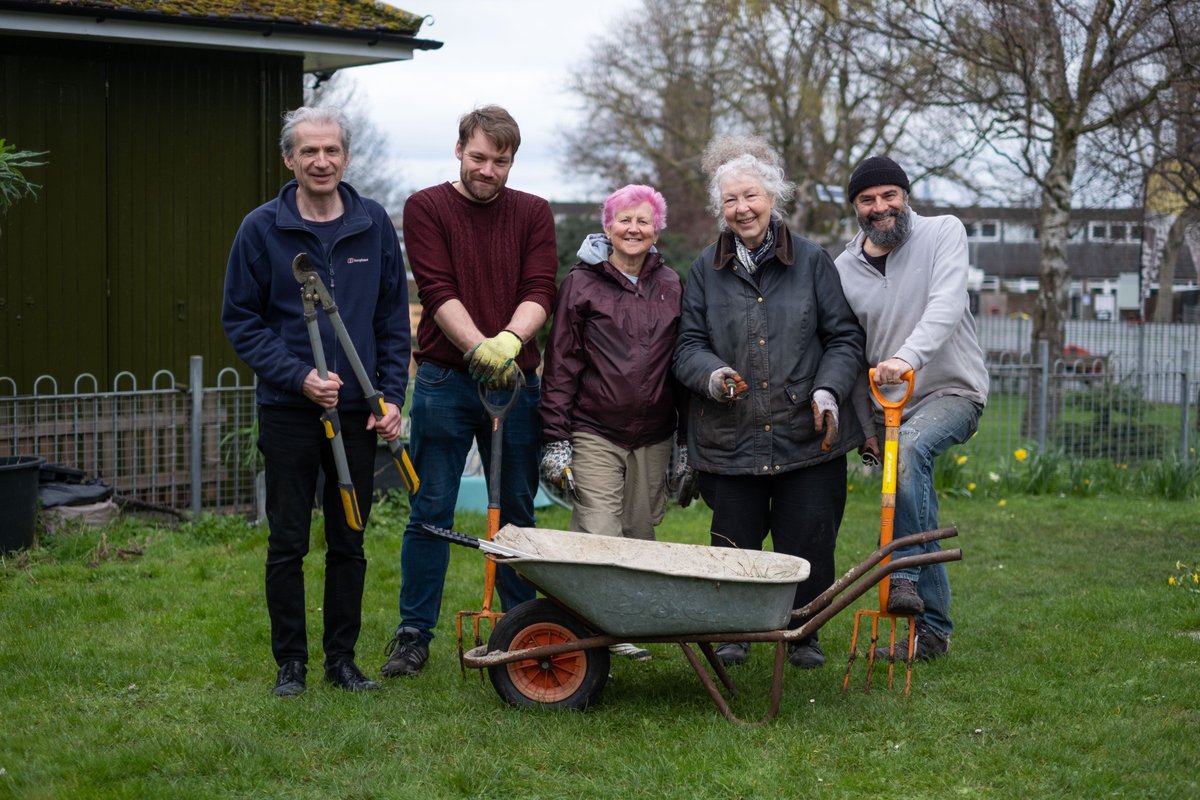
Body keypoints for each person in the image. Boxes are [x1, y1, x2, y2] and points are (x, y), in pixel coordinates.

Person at [222, 106, 410, 696]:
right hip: (289, 411)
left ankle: (341, 660)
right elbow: (241, 320)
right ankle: (291, 664)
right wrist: (298, 375)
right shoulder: (262, 229)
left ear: (346, 157)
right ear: (289, 159)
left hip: (357, 412)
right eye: (308, 152)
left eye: (330, 150)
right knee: (287, 540)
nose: (321, 161)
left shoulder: (374, 224)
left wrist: (391, 397)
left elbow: (391, 320)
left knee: (349, 538)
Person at [672, 135, 866, 669]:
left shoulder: (811, 262)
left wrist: (827, 390)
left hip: (806, 431)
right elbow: (687, 345)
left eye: (751, 196)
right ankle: (735, 630)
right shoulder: (703, 271)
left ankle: (803, 631)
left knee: (809, 539)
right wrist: (713, 376)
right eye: (731, 200)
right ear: (721, 209)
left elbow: (845, 338)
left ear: (773, 198)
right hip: (731, 435)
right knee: (734, 542)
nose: (743, 208)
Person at [380, 105, 558, 678]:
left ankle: (523, 626)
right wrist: (480, 347)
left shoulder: (533, 212)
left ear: (512, 161)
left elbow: (540, 288)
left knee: (518, 512)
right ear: (459, 150)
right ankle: (413, 634)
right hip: (443, 380)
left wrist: (509, 342)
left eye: (500, 161)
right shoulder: (426, 207)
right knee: (430, 506)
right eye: (478, 157)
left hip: (516, 384)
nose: (488, 169)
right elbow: (436, 289)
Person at [833, 156, 989, 661]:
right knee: (915, 494)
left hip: (951, 391)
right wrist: (864, 424)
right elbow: (850, 353)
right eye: (868, 199)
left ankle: (902, 574)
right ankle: (934, 634)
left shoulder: (943, 231)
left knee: (913, 451)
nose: (880, 207)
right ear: (855, 206)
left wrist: (906, 357)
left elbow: (946, 302)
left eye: (888, 195)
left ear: (905, 195)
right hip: (888, 406)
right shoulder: (842, 268)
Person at [539, 184, 684, 662]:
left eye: (644, 221)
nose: (633, 228)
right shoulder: (581, 284)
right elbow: (561, 364)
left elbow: (682, 364)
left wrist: (686, 441)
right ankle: (593, 630)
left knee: (639, 534)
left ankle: (624, 619)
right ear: (607, 226)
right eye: (624, 219)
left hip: (655, 433)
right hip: (595, 428)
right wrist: (556, 439)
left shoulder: (672, 286)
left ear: (656, 229)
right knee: (599, 529)